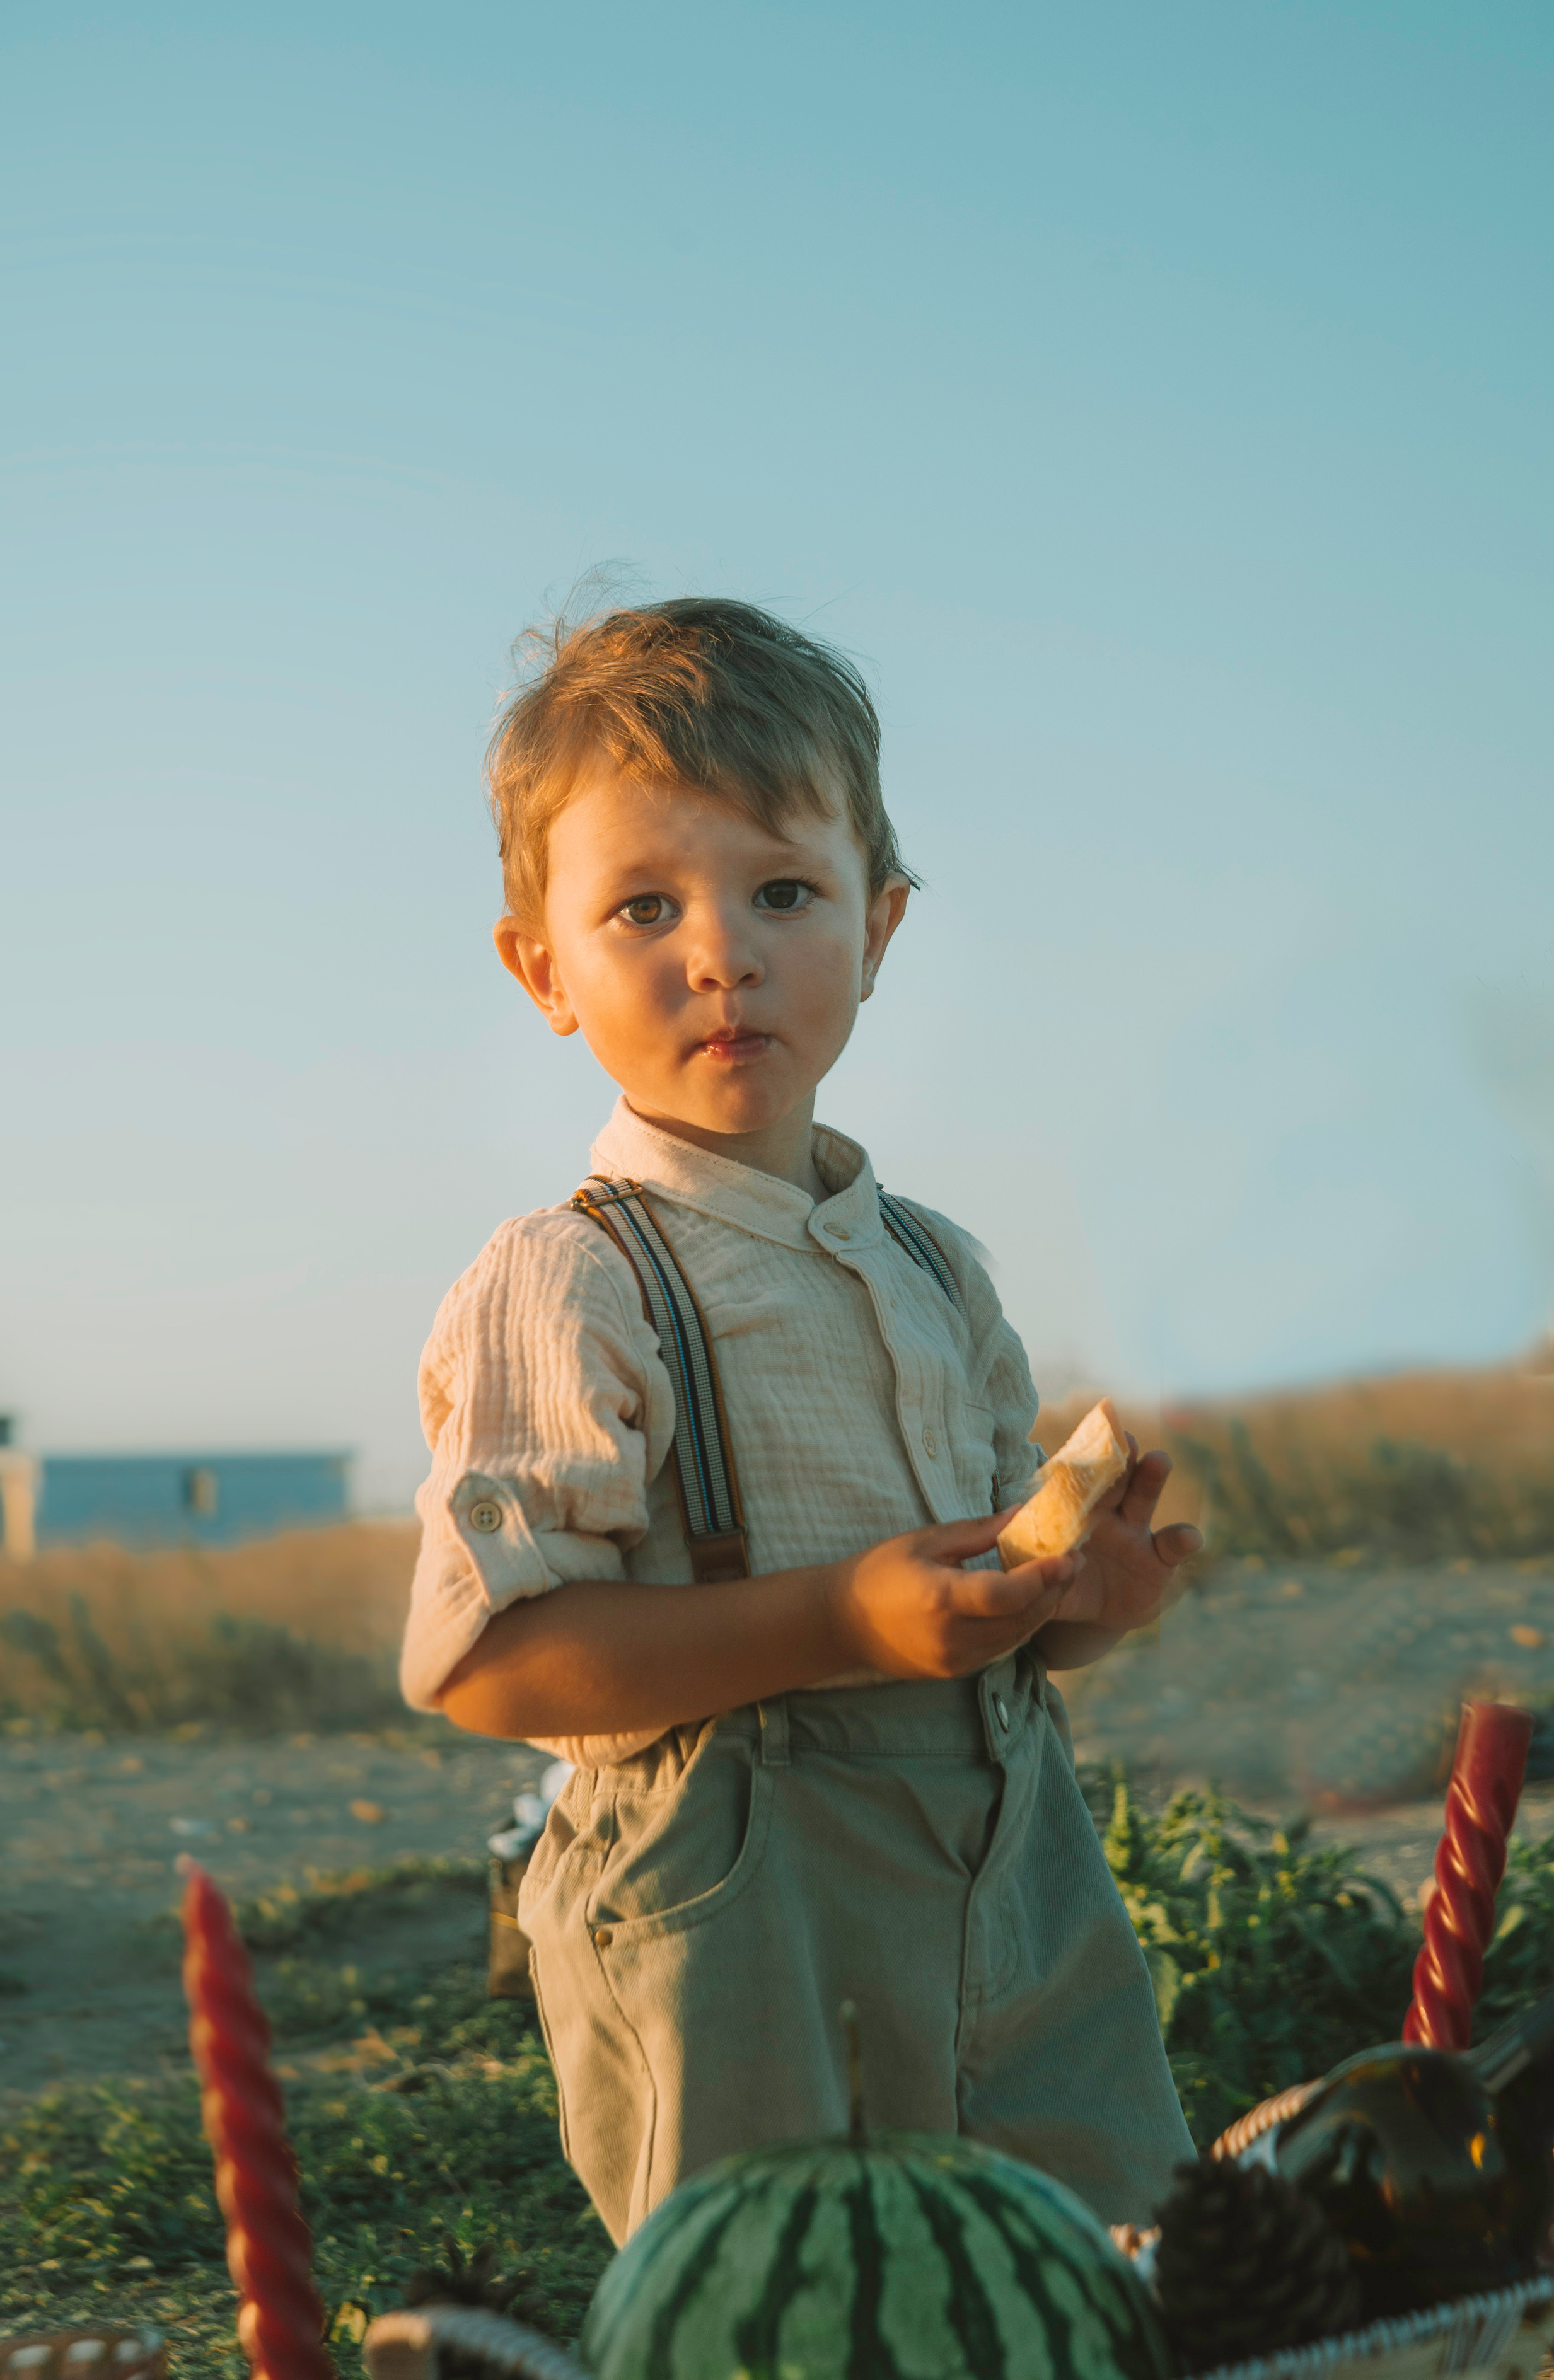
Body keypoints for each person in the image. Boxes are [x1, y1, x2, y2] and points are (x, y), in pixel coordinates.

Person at [400, 596, 1200, 2244]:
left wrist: (1073, 1605)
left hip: (1014, 1877)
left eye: (783, 890)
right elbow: (488, 1655)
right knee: (789, 2311)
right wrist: (839, 1616)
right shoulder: (571, 1277)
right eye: (643, 904)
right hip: (736, 1901)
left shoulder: (933, 1266)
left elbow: (969, 1615)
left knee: (1099, 2267)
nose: (723, 951)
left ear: (880, 926)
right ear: (543, 969)